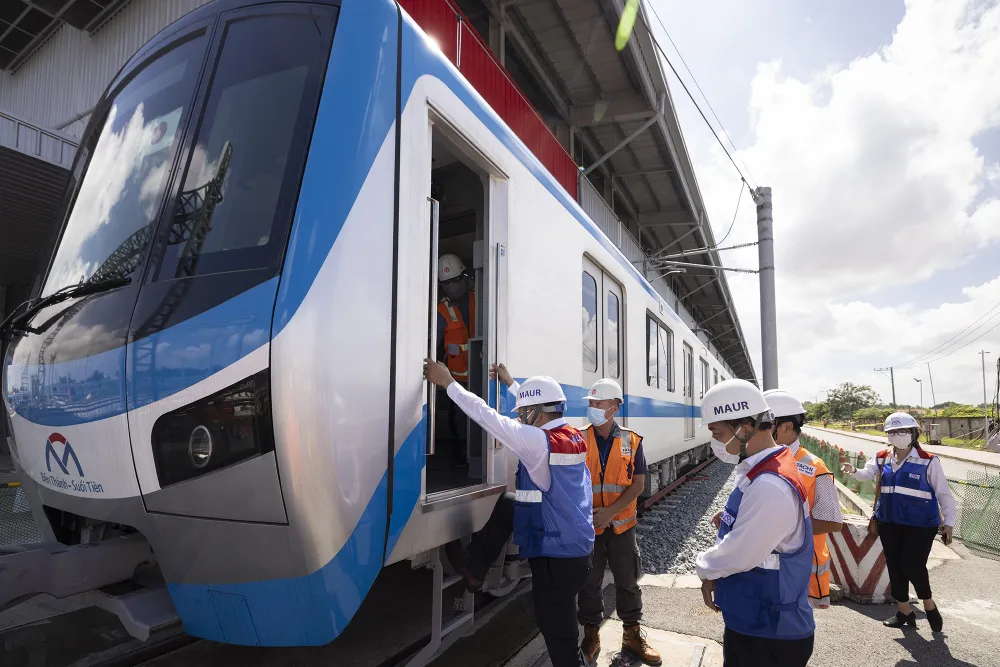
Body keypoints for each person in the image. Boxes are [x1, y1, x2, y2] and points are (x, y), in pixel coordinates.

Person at [424, 360, 593, 667]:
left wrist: (448, 382)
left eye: (523, 411)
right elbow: (536, 407)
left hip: (556, 556)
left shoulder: (536, 441)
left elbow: (486, 416)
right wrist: (512, 384)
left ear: (537, 413)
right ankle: (475, 571)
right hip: (575, 549)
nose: (519, 416)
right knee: (507, 504)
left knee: (557, 633)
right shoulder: (571, 434)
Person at [696, 379, 815, 667]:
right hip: (755, 618)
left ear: (745, 428)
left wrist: (706, 569)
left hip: (771, 633)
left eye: (718, 432)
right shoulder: (762, 469)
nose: (715, 441)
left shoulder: (770, 484)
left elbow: (741, 551)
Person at [841, 412, 956, 631]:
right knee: (894, 566)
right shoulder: (882, 456)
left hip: (921, 524)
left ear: (914, 433)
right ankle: (904, 611)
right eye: (893, 432)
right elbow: (867, 474)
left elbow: (944, 494)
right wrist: (854, 471)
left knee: (912, 564)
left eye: (903, 431)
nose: (898, 435)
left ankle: (929, 604)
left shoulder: (929, 461)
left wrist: (949, 522)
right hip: (890, 522)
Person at [577, 379, 661, 666]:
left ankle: (632, 636)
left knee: (628, 582)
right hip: (589, 527)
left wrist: (610, 512)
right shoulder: (579, 438)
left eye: (599, 404)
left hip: (621, 526)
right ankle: (591, 634)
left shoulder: (630, 440)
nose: (593, 409)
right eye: (591, 403)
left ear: (615, 407)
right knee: (589, 583)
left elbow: (637, 486)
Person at [763, 389, 844, 608]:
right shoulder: (762, 460)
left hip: (800, 575)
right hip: (767, 571)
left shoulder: (814, 467)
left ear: (787, 427)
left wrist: (782, 530)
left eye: (765, 424)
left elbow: (833, 522)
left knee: (790, 634)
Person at [436, 253, 476, 467]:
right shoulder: (441, 310)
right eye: (446, 283)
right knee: (459, 418)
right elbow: (433, 341)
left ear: (465, 276)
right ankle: (461, 456)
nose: (452, 287)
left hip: (482, 374)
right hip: (456, 377)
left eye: (455, 281)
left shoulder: (481, 294)